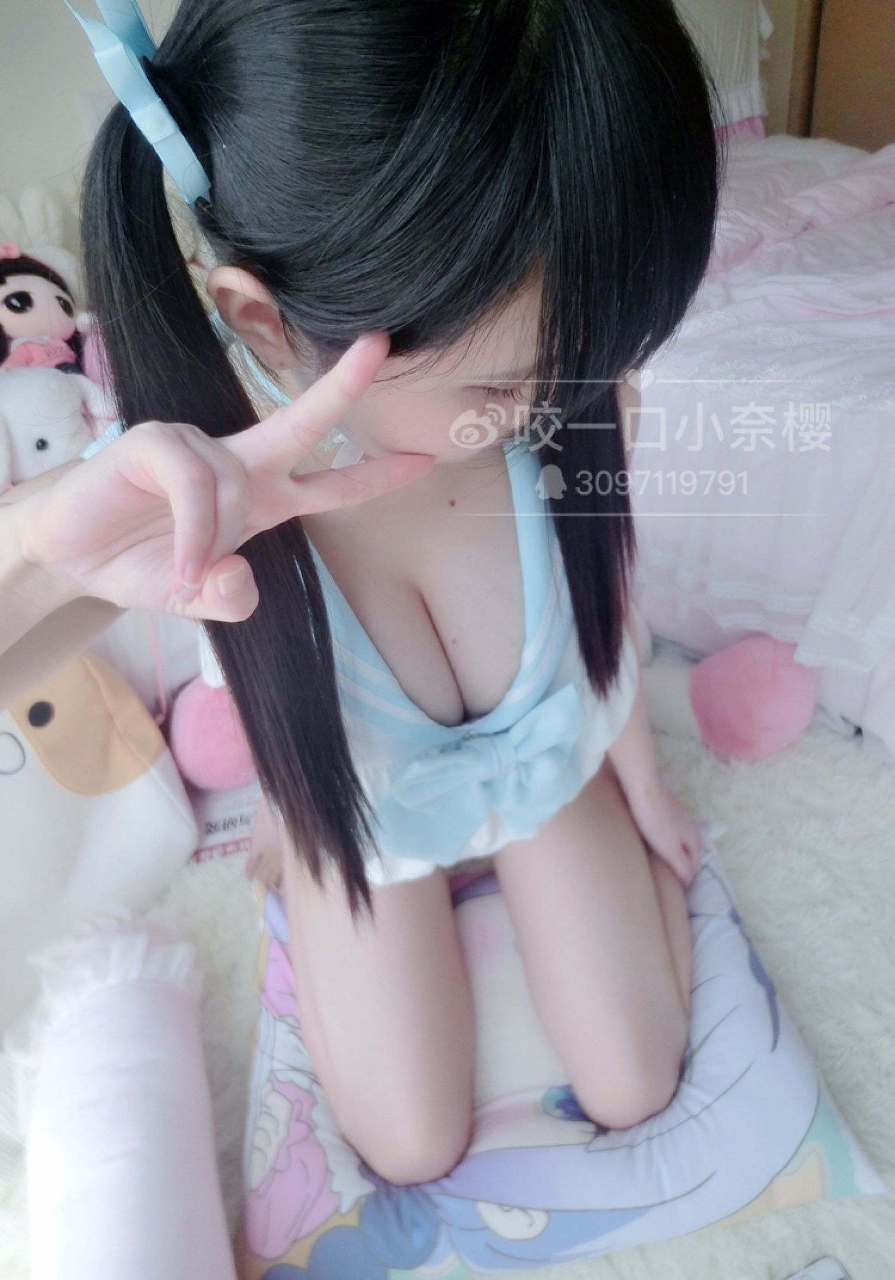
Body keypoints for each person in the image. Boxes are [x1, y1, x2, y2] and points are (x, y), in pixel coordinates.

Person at [22, 0, 726, 1188]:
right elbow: (239, 661)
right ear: (263, 321)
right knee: (408, 1139)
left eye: (600, 352)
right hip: (364, 806)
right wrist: (295, 805)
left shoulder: (578, 398)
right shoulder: (204, 499)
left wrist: (639, 775)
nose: (566, 397)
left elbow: (602, 604)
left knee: (634, 1078)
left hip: (549, 757)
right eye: (506, 384)